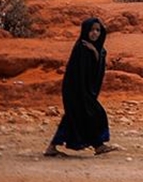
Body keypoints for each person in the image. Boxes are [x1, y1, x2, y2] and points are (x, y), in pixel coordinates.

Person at [43, 17, 120, 157]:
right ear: (85, 31)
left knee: (75, 117)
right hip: (76, 90)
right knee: (95, 114)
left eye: (97, 30)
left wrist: (96, 53)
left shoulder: (98, 50)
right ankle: (98, 145)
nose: (95, 33)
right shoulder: (82, 48)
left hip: (86, 91)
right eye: (91, 30)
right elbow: (78, 73)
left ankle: (96, 146)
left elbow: (96, 71)